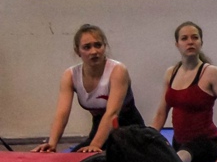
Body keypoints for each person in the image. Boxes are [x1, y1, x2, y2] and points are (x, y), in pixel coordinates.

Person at [33, 24, 144, 154]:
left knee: (104, 160)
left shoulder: (117, 70)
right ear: (77, 51)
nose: (94, 51)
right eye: (87, 47)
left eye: (98, 45)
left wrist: (95, 145)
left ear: (105, 46)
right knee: (75, 161)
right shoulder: (70, 76)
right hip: (99, 129)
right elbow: (62, 114)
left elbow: (112, 114)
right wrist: (52, 144)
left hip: (129, 130)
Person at [151, 21, 217, 162]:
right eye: (184, 38)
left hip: (207, 142)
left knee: (181, 156)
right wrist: (149, 139)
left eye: (195, 37)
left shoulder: (212, 73)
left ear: (201, 42)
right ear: (177, 44)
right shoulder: (171, 73)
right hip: (179, 143)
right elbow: (161, 113)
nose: (190, 42)